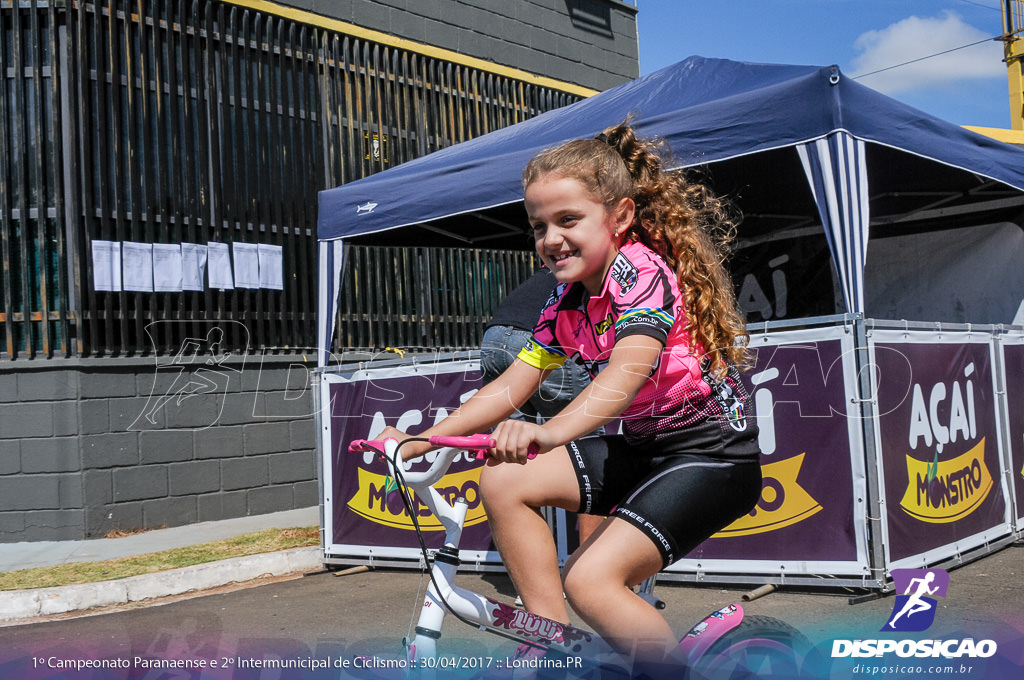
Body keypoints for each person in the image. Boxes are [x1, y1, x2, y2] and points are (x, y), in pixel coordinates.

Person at [378, 120, 762, 665]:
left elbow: (626, 373)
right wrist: (421, 440)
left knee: (590, 579)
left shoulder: (640, 271)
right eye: (539, 226)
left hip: (711, 456)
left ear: (621, 217)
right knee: (506, 476)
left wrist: (547, 430)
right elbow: (513, 383)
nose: (550, 239)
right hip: (650, 449)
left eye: (568, 220)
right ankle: (551, 644)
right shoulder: (564, 303)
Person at [480, 267, 592, 423]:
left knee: (511, 437)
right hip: (535, 335)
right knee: (578, 432)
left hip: (494, 335)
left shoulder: (554, 268)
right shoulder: (583, 270)